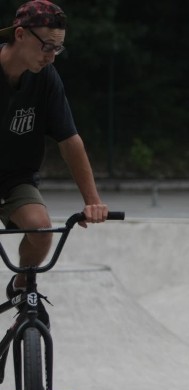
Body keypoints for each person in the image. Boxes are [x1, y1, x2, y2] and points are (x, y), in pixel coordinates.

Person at [0, 0, 109, 328]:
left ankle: (21, 287)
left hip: (15, 179)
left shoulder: (46, 79)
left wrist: (92, 200)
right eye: (46, 45)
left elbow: (70, 141)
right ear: (20, 35)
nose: (50, 55)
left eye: (58, 48)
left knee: (42, 230)